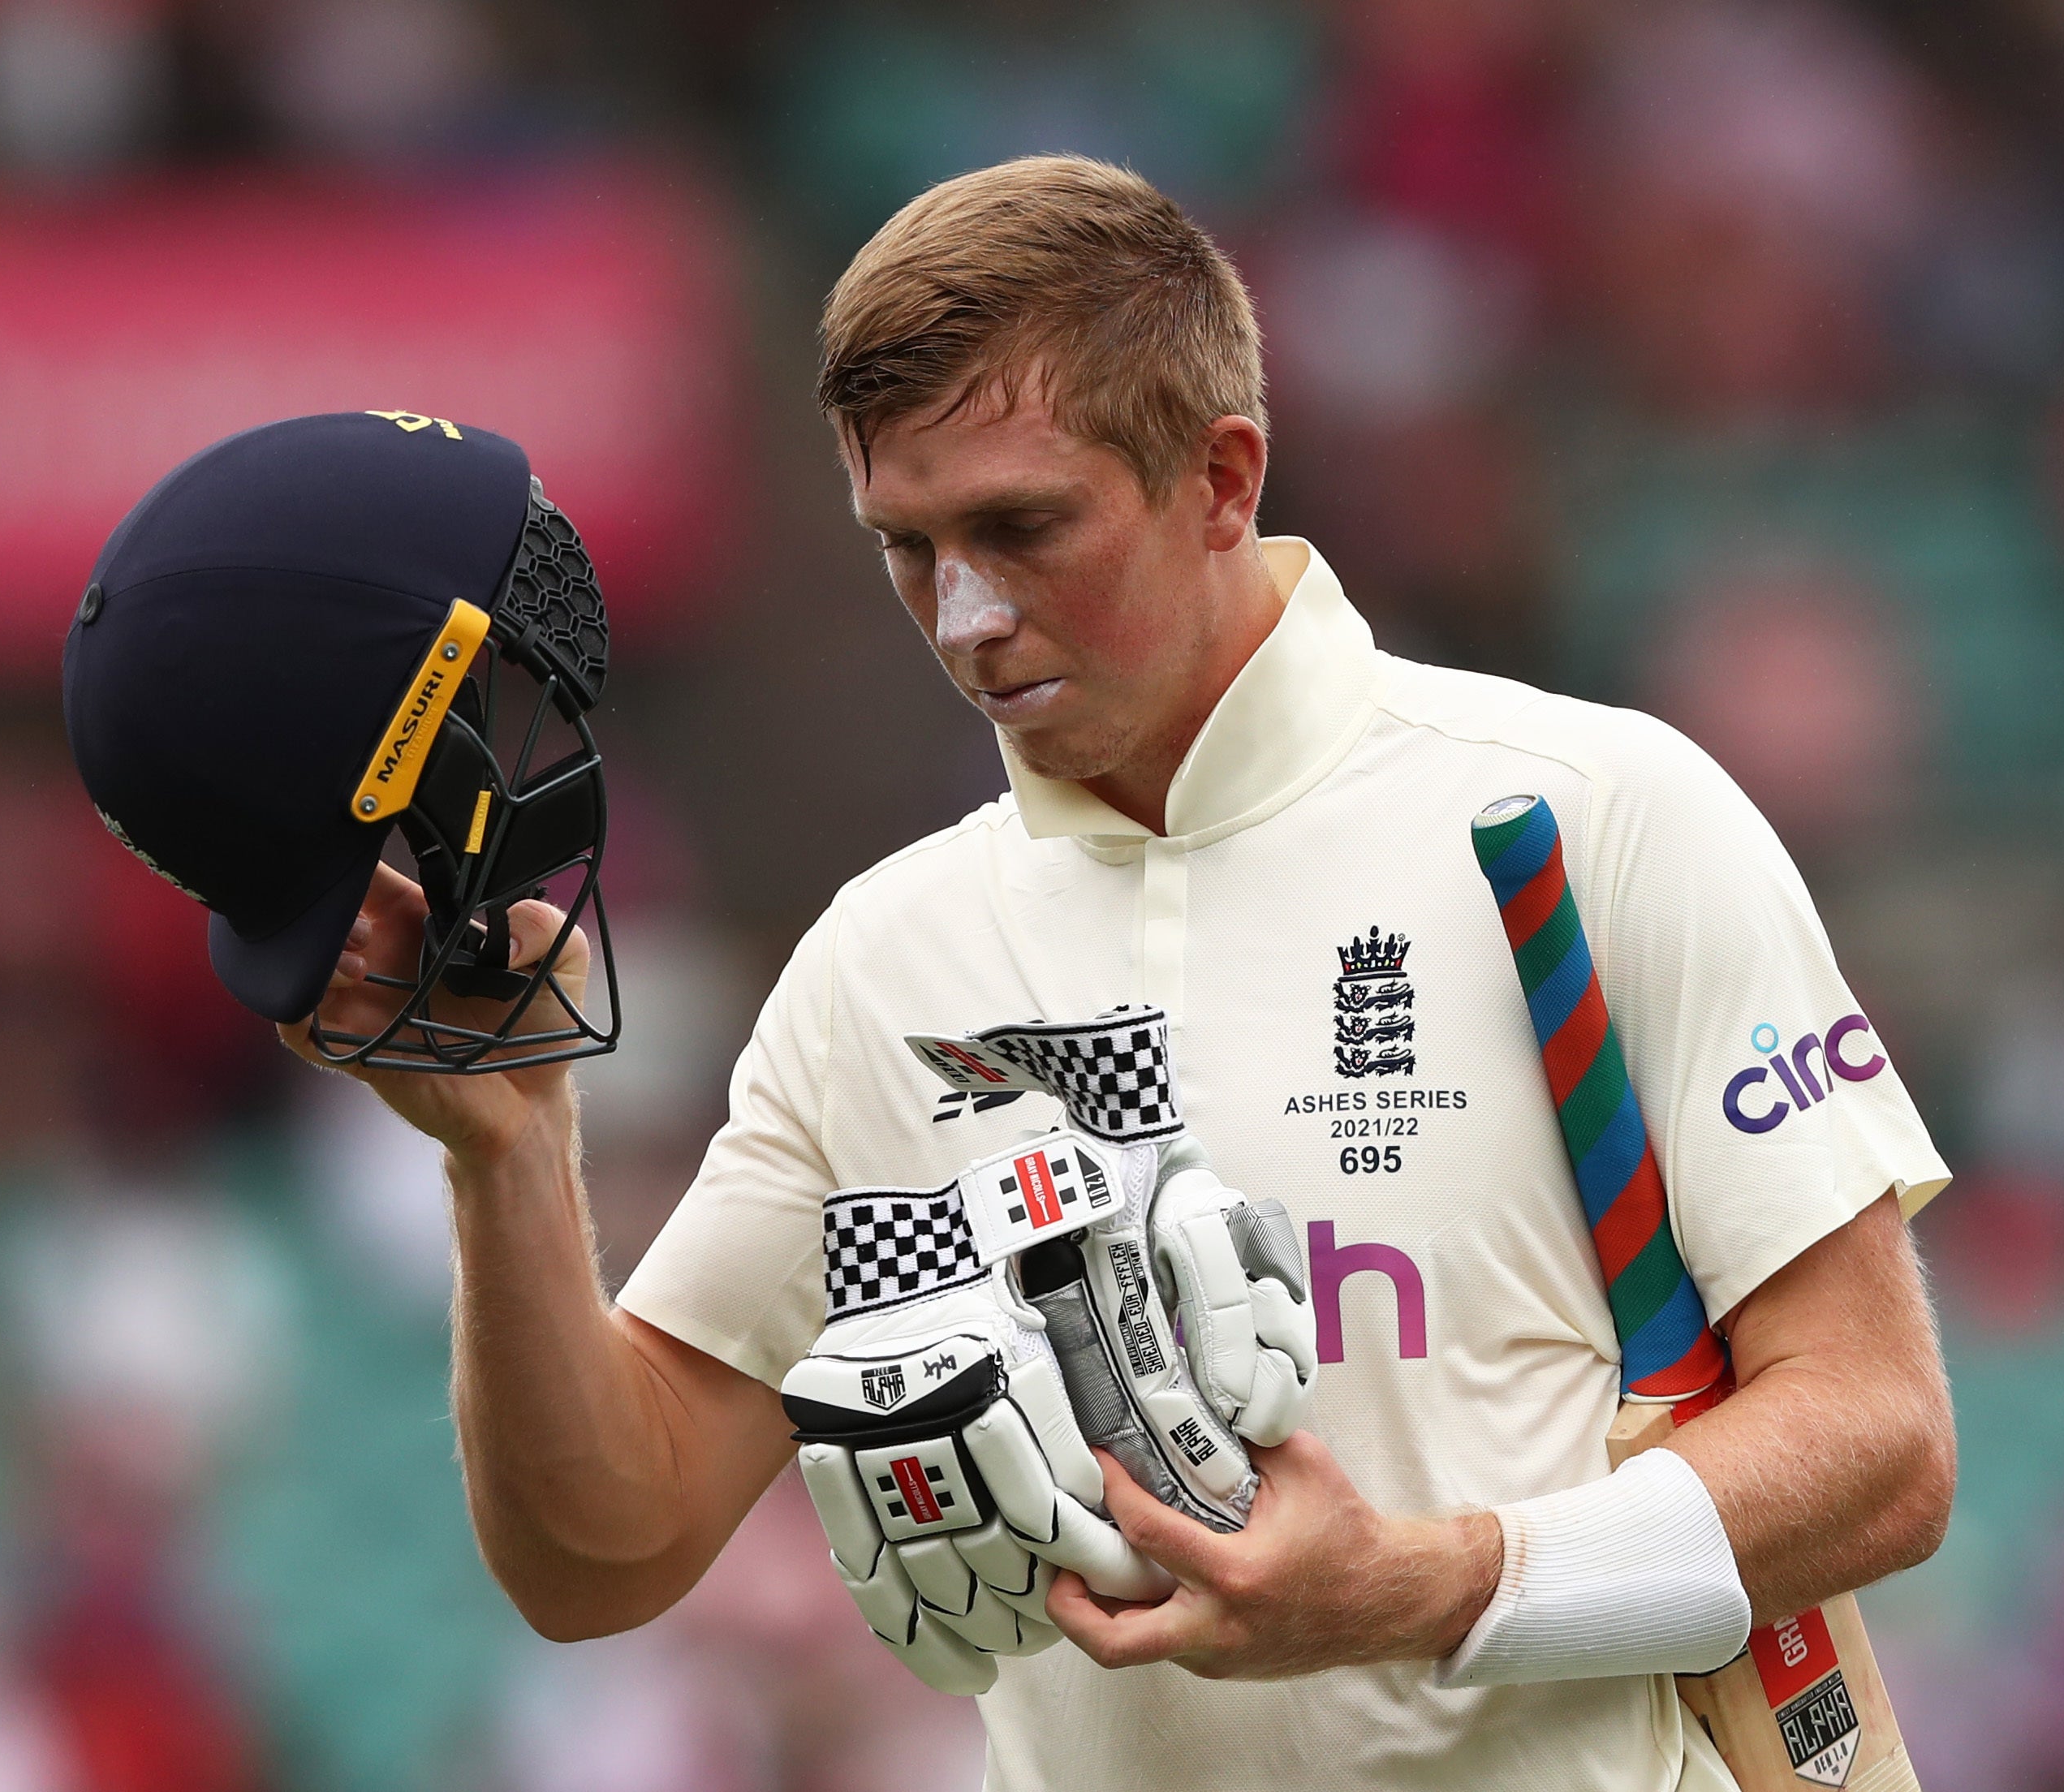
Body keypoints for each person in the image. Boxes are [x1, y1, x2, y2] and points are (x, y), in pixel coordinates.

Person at [297, 155, 1958, 1792]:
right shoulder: (888, 963)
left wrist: (1436, 1582)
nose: (963, 617)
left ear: (1223, 478)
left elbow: (1883, 1447)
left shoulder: (1594, 815)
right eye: (906, 544)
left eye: (1023, 527)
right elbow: (608, 1553)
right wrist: (507, 1159)